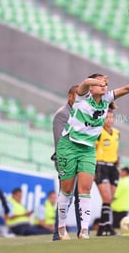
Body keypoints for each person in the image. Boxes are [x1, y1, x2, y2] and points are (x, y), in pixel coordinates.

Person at [56, 73, 129, 240]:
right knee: (67, 189)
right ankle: (61, 227)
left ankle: (84, 231)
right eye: (100, 84)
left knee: (85, 189)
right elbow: (84, 82)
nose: (104, 86)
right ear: (92, 87)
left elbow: (126, 88)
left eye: (105, 84)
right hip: (69, 145)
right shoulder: (82, 97)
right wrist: (96, 81)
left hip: (88, 149)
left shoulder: (106, 99)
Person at [51, 84, 81, 241]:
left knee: (81, 198)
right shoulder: (62, 114)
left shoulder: (81, 113)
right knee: (66, 198)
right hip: (67, 160)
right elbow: (61, 141)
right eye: (79, 95)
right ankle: (58, 234)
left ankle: (82, 233)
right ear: (70, 96)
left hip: (80, 159)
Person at [94, 104, 120, 236]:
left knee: (109, 199)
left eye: (111, 117)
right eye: (106, 117)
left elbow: (115, 150)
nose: (109, 119)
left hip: (113, 167)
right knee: (106, 197)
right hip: (101, 166)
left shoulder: (116, 133)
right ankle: (106, 226)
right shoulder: (98, 132)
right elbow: (92, 149)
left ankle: (102, 228)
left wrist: (117, 159)